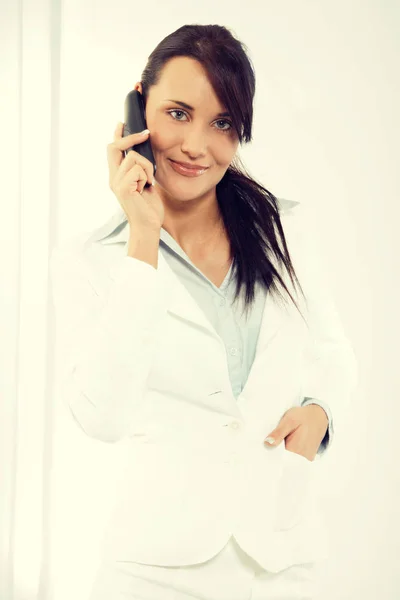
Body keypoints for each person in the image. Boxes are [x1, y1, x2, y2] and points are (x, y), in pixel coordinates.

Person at [50, 23, 358, 600]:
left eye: (223, 124)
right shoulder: (92, 259)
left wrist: (320, 412)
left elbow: (334, 351)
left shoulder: (285, 231)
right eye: (178, 113)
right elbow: (102, 416)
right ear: (139, 106)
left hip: (281, 563)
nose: (197, 146)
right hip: (150, 572)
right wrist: (143, 240)